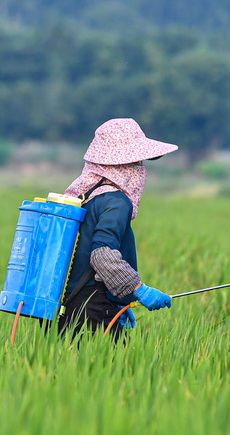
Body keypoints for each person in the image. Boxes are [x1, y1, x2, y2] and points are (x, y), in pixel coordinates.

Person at [57, 118, 177, 339]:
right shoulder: (116, 201)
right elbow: (101, 255)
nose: (140, 169)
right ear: (125, 164)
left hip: (69, 305)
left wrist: (120, 301)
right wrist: (139, 290)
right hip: (93, 308)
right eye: (137, 162)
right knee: (113, 370)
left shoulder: (87, 195)